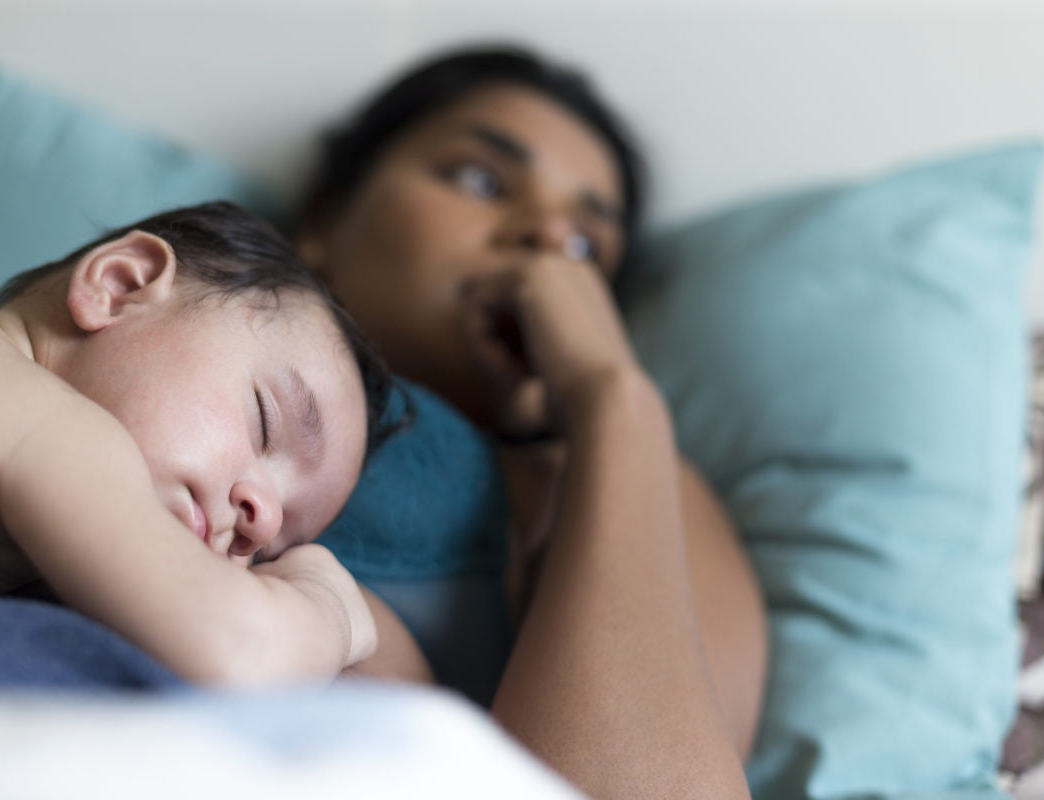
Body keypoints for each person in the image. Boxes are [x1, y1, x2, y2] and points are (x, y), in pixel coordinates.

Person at [291, 46, 768, 799]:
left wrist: (613, 397)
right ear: (324, 217)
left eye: (586, 245)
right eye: (482, 179)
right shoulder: (160, 326)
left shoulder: (634, 477)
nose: (546, 238)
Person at [0, 201, 396, 687]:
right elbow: (240, 649)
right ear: (120, 286)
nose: (263, 522)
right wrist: (330, 606)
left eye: (271, 554)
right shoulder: (55, 424)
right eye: (264, 421)